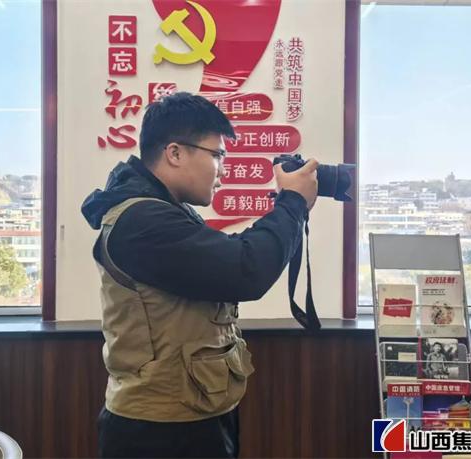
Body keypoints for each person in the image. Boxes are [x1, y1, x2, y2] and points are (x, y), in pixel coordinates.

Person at [81, 92, 319, 458]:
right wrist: (293, 203)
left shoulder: (163, 211)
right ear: (175, 153)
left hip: (185, 417)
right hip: (160, 433)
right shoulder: (142, 221)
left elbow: (232, 258)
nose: (223, 168)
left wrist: (290, 207)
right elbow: (246, 270)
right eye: (217, 154)